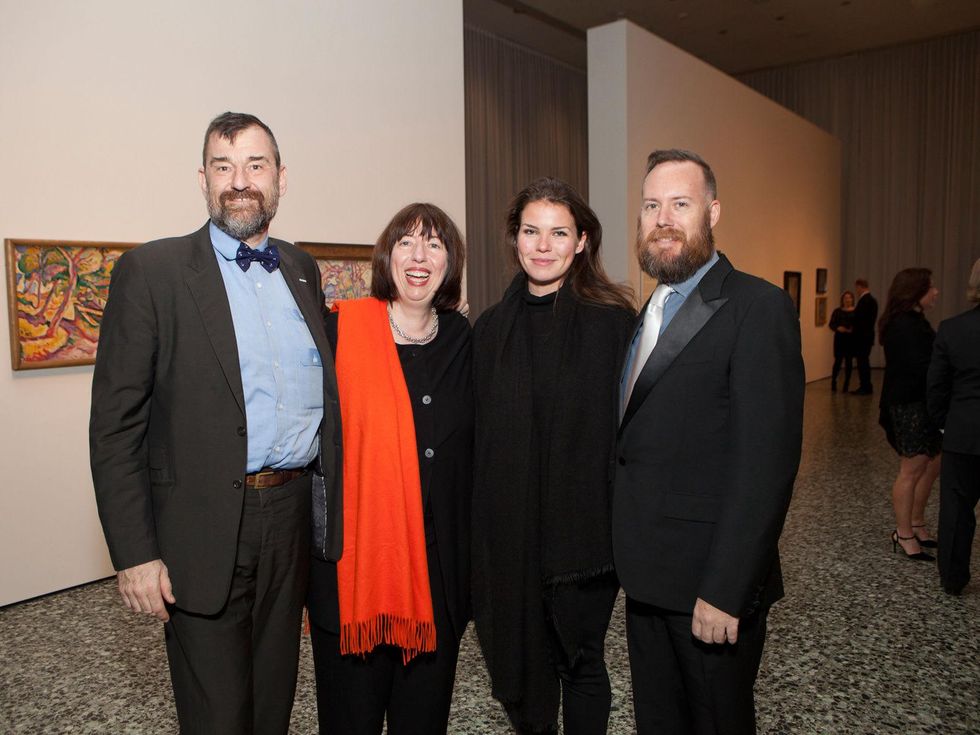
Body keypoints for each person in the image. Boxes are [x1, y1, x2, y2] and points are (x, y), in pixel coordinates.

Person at [89, 112, 342, 733]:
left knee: (273, 700)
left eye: (255, 166)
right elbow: (115, 427)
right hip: (200, 526)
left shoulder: (303, 270)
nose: (239, 182)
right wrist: (136, 554)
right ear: (202, 179)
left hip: (290, 520)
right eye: (223, 167)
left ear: (280, 178)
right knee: (219, 714)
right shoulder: (153, 273)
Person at [613, 149, 804, 735]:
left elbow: (765, 465)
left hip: (708, 591)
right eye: (651, 205)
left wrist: (725, 589)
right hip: (647, 581)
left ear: (713, 212)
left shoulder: (757, 306)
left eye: (680, 203)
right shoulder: (651, 309)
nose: (662, 218)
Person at [472, 178, 635, 734]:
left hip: (584, 543)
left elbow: (630, 436)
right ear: (514, 239)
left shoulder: (613, 323)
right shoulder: (491, 329)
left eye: (558, 232)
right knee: (523, 664)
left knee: (582, 664)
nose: (543, 246)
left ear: (583, 240)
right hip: (510, 542)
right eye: (531, 231)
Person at [306, 203, 472, 734]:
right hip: (353, 575)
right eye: (406, 241)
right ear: (388, 255)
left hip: (435, 581)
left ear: (450, 263)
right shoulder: (340, 332)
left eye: (435, 244)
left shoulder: (464, 342)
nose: (420, 255)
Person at [878, 268, 942, 561]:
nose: (936, 292)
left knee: (928, 464)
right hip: (909, 406)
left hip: (920, 404)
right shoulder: (904, 325)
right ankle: (903, 533)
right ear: (916, 291)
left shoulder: (912, 322)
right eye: (931, 287)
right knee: (912, 468)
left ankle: (916, 523)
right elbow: (918, 370)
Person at [927, 258, 980, 594]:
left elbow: (936, 387)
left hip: (965, 432)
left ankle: (953, 578)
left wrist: (944, 426)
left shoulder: (953, 328)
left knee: (957, 510)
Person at [851, 278, 879, 394]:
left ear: (860, 286)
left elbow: (861, 320)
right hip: (866, 336)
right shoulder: (872, 300)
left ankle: (865, 386)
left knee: (862, 362)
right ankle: (866, 385)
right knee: (864, 361)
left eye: (856, 288)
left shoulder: (865, 301)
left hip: (862, 337)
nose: (856, 291)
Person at [829, 290, 856, 392]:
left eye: (849, 298)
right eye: (845, 298)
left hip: (850, 339)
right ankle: (834, 382)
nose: (847, 300)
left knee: (849, 362)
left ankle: (846, 384)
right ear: (842, 300)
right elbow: (831, 324)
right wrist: (838, 328)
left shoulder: (856, 311)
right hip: (840, 338)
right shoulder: (837, 311)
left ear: (852, 299)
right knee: (838, 361)